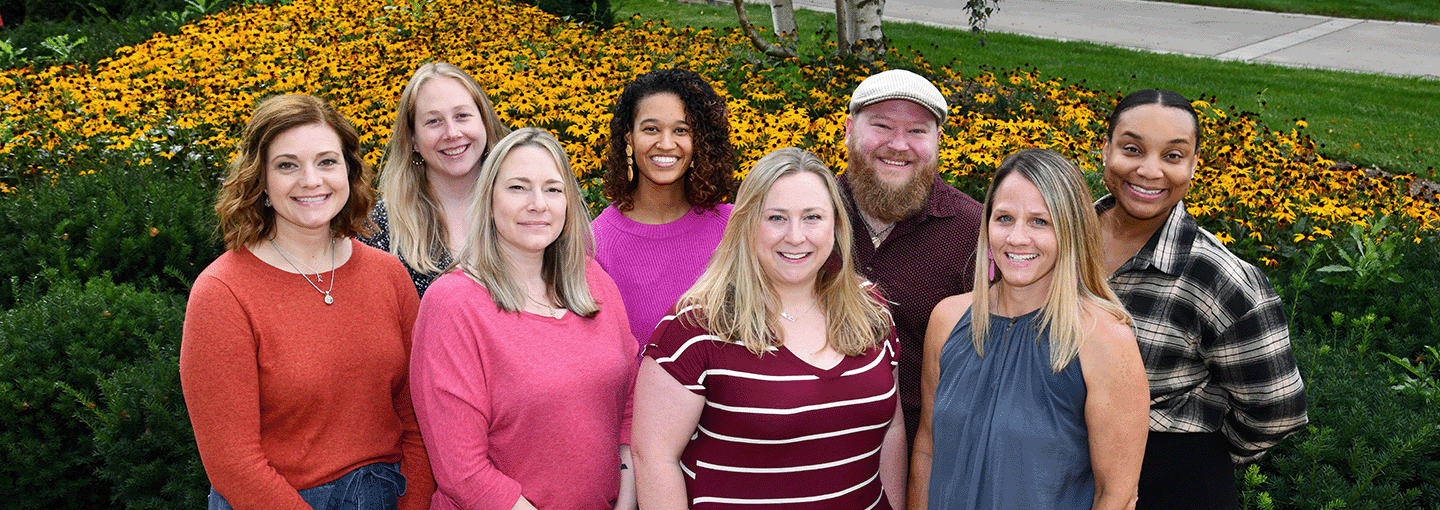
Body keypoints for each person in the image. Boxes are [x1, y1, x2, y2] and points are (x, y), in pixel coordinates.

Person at [180, 94, 435, 510]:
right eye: (287, 165)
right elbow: (232, 462)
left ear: (350, 172)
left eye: (326, 161)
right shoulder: (222, 293)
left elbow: (421, 420)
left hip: (388, 495)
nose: (311, 180)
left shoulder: (389, 274)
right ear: (259, 179)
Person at [633, 147, 907, 510]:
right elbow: (653, 458)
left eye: (812, 217)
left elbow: (892, 430)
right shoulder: (696, 327)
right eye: (776, 218)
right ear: (747, 224)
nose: (795, 236)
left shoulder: (870, 310)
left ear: (836, 226)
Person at [1095, 89, 1308, 509]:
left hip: (1172, 481)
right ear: (1105, 150)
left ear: (1194, 165)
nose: (1149, 170)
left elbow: (1277, 407)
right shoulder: (1059, 239)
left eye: (1173, 156)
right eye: (1132, 149)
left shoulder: (1219, 279)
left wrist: (1195, 456)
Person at [409, 127, 639, 510]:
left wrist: (626, 504)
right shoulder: (453, 304)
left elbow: (630, 408)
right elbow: (461, 470)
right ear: (489, 199)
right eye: (518, 188)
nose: (538, 204)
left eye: (553, 189)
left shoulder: (593, 281)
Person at [909, 148, 1149, 510]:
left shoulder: (1103, 339)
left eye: (1040, 221)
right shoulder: (948, 320)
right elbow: (927, 450)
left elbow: (1116, 494)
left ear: (1071, 231)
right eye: (1004, 218)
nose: (1017, 238)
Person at [839, 69, 986, 447]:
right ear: (849, 131)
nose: (899, 145)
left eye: (917, 131)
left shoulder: (976, 232)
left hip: (926, 450)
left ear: (938, 141)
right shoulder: (807, 212)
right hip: (807, 442)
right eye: (883, 126)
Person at [592, 68, 738, 349]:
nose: (666, 144)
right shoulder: (596, 243)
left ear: (700, 140)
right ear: (628, 137)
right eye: (651, 129)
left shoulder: (733, 227)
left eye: (681, 130)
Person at [362, 62, 511, 296]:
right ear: (413, 139)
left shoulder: (525, 206)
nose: (452, 133)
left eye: (462, 116)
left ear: (484, 122)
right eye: (434, 121)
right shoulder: (381, 228)